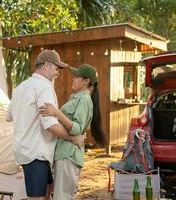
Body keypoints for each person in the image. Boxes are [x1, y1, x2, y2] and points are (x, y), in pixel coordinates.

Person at [6, 50, 84, 200]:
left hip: (25, 149)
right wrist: (73, 138)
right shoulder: (44, 88)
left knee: (48, 190)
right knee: (37, 197)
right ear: (47, 65)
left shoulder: (21, 87)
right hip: (37, 152)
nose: (58, 73)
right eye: (56, 69)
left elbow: (8, 116)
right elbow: (50, 125)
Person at [39, 64, 107, 200]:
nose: (73, 79)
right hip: (63, 153)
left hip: (69, 154)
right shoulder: (77, 98)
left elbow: (77, 128)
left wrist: (57, 113)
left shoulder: (85, 100)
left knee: (62, 197)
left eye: (76, 77)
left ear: (86, 81)